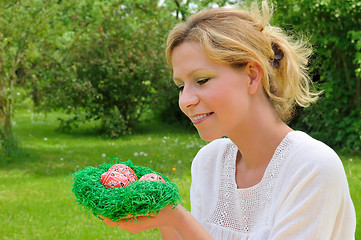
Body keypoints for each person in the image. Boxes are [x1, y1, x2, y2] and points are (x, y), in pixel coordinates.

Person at [101, 1, 356, 239]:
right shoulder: (209, 162)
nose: (185, 100)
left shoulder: (311, 167)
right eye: (181, 86)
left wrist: (179, 219)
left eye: (201, 80)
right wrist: (164, 216)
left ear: (252, 76)